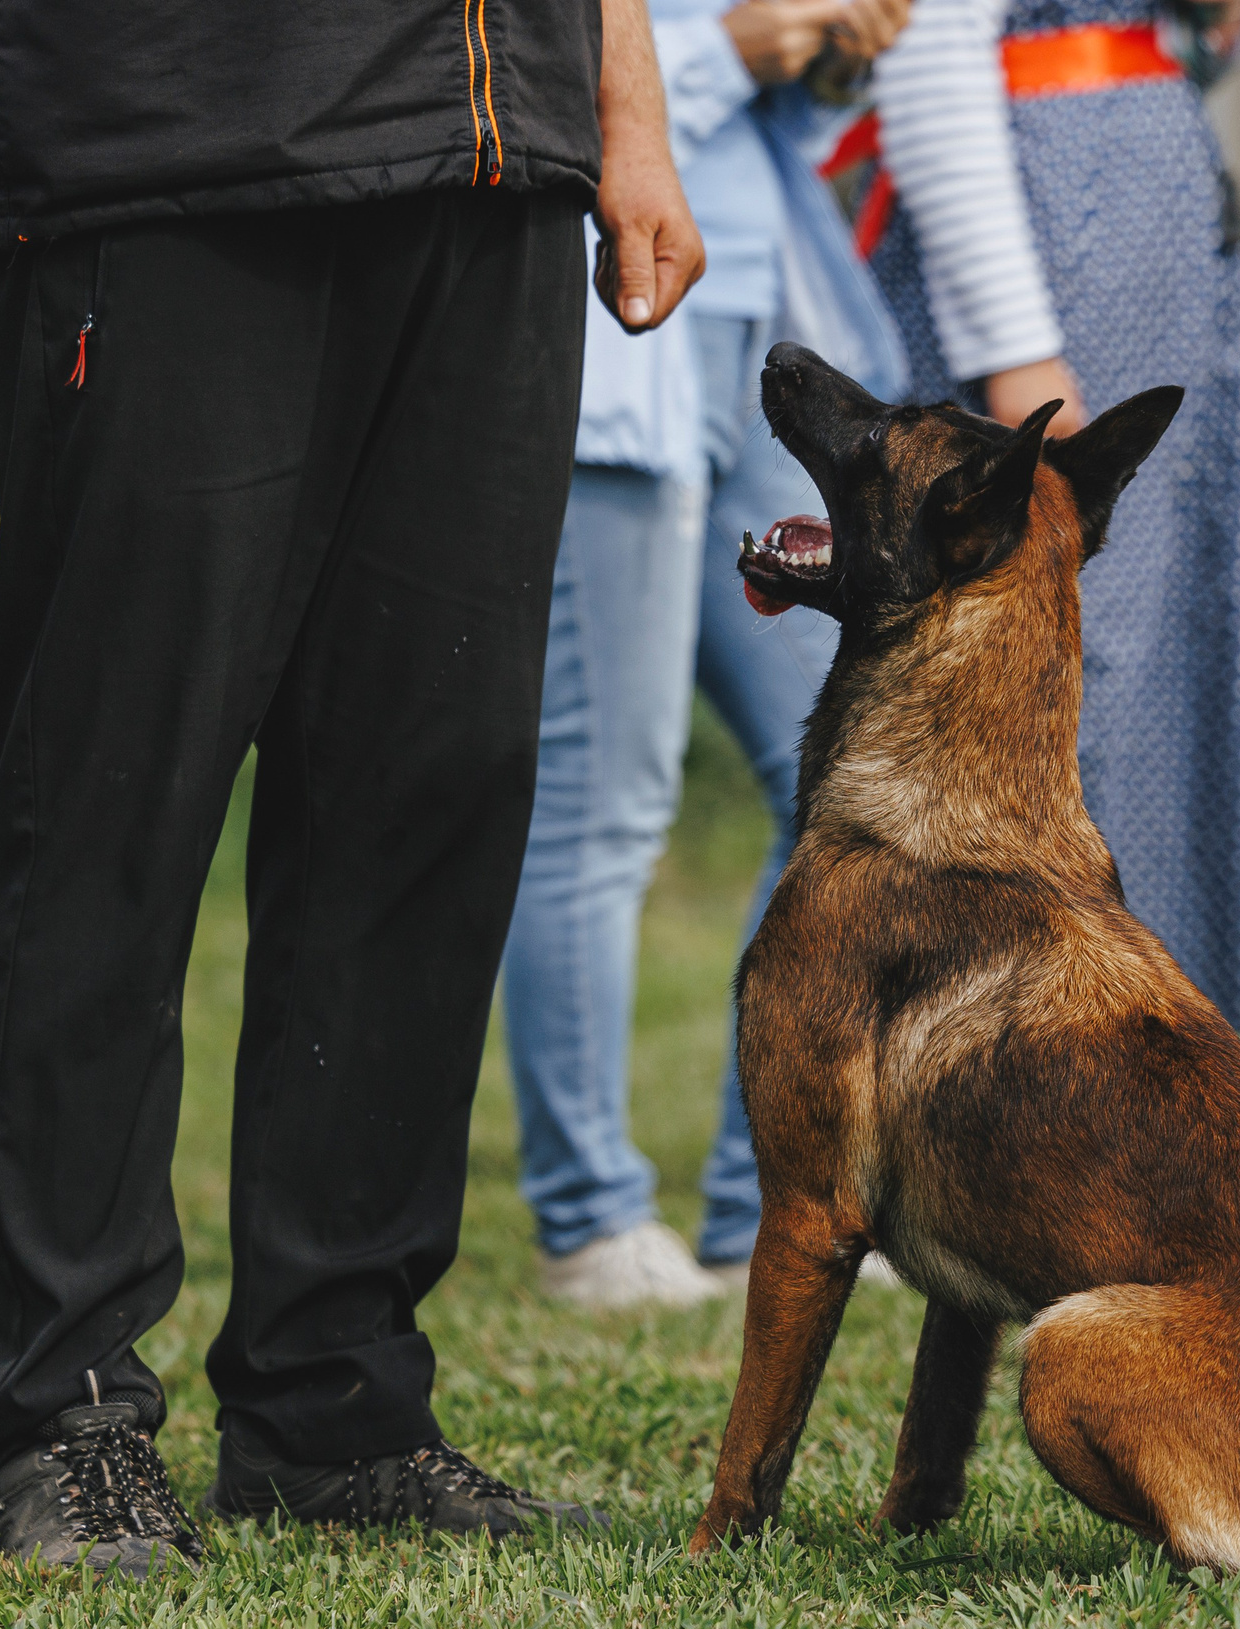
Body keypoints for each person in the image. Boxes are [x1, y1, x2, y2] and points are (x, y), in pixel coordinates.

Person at [0, 0, 703, 1575]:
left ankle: (332, 1399)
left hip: (493, 148)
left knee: (431, 789)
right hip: (170, 137)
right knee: (116, 797)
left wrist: (626, 106)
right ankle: (58, 1411)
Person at [503, 0, 913, 1309]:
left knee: (840, 798)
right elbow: (532, 75)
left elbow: (774, 134)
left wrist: (832, 55)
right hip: (615, 337)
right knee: (604, 799)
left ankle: (767, 1202)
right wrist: (730, 49)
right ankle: (591, 1217)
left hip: (751, 344)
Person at [866, 0, 1240, 1034]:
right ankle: (985, 1056)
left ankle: (1137, 1051)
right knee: (1036, 675)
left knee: (1146, 663)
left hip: (1144, 228)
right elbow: (929, 46)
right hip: (1057, 243)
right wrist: (1012, 340)